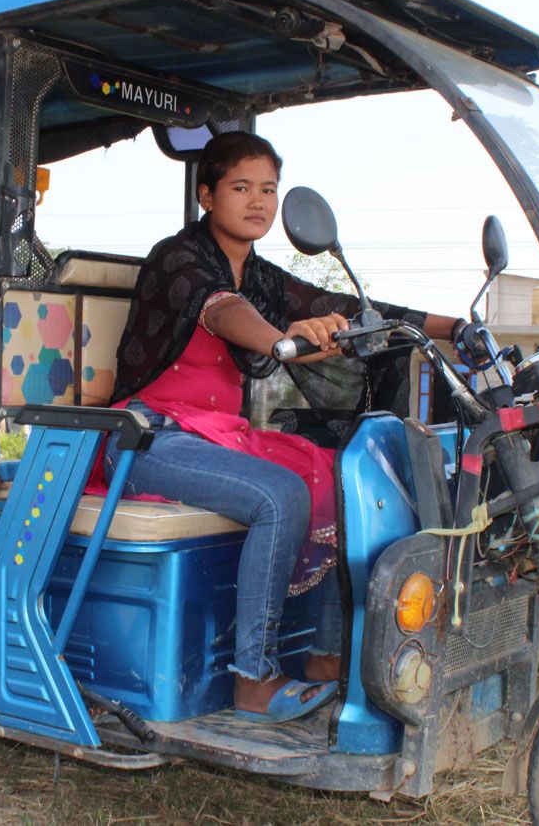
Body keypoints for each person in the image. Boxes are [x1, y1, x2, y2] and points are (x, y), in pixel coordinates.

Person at [100, 131, 477, 722]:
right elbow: (222, 310)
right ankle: (254, 678)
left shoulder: (263, 276)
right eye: (240, 187)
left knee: (348, 478)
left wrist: (454, 327)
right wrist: (280, 338)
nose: (258, 201)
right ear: (207, 195)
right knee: (280, 494)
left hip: (217, 435)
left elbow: (346, 306)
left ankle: (325, 655)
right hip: (146, 437)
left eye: (268, 189)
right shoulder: (176, 258)